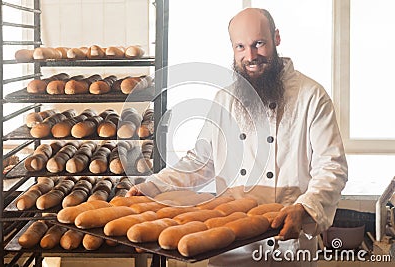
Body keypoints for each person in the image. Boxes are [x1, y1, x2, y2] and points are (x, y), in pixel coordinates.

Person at [127, 8, 348, 267]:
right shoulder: (226, 99)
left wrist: (305, 207)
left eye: (259, 44)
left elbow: (331, 167)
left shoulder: (311, 96)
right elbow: (200, 161)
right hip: (229, 249)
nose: (250, 56)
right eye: (240, 47)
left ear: (276, 38)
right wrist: (152, 187)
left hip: (287, 248)